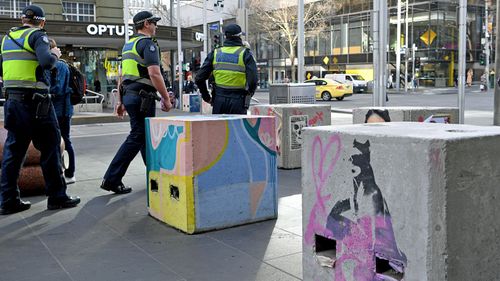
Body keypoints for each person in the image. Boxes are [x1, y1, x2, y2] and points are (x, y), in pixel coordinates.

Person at [0, 5, 80, 214]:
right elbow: (46, 62)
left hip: (13, 102)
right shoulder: (38, 36)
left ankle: (8, 200)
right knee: (51, 148)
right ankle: (57, 196)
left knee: (13, 152)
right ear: (42, 22)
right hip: (37, 104)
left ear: (22, 19)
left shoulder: (6, 39)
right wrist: (54, 53)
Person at [101, 10, 172, 194]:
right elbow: (154, 73)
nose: (156, 26)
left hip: (131, 96)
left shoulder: (129, 45)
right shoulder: (148, 44)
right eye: (154, 22)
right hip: (143, 97)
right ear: (147, 24)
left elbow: (122, 76)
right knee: (137, 136)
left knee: (143, 136)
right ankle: (112, 178)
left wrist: (120, 101)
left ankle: (154, 174)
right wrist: (165, 97)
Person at [195, 23, 257, 114]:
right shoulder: (245, 54)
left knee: (219, 128)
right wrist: (249, 94)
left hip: (218, 100)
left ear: (225, 37)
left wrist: (207, 97)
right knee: (237, 128)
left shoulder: (215, 53)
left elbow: (199, 78)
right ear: (239, 36)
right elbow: (253, 80)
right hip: (238, 101)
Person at [48, 39, 76, 185]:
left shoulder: (59, 65)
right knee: (60, 141)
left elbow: (57, 88)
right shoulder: (58, 65)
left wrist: (44, 90)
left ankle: (70, 173)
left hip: (62, 110)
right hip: (59, 109)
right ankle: (65, 172)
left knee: (64, 140)